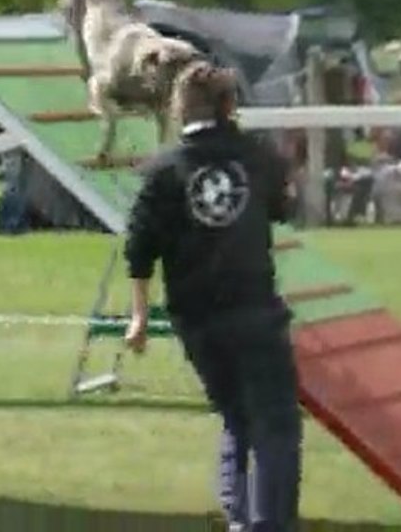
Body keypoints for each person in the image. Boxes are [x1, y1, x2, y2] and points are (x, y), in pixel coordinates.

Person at [122, 61, 302, 532]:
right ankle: (265, 525)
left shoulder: (163, 169)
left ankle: (241, 521)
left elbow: (139, 247)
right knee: (275, 423)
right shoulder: (258, 156)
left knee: (235, 417)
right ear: (230, 106)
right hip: (254, 310)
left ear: (180, 109)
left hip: (196, 317)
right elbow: (285, 208)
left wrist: (138, 317)